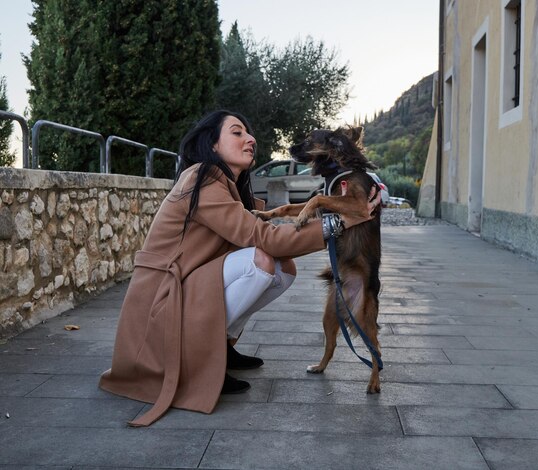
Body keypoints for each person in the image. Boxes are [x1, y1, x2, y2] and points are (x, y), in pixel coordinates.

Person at [99, 110, 380, 426]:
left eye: (249, 133)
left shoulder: (226, 183)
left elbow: (259, 236)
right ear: (213, 145)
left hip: (186, 287)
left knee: (282, 268)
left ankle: (222, 346)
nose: (250, 138)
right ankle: (203, 360)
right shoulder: (202, 179)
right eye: (236, 132)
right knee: (260, 261)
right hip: (161, 302)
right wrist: (339, 222)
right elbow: (262, 238)